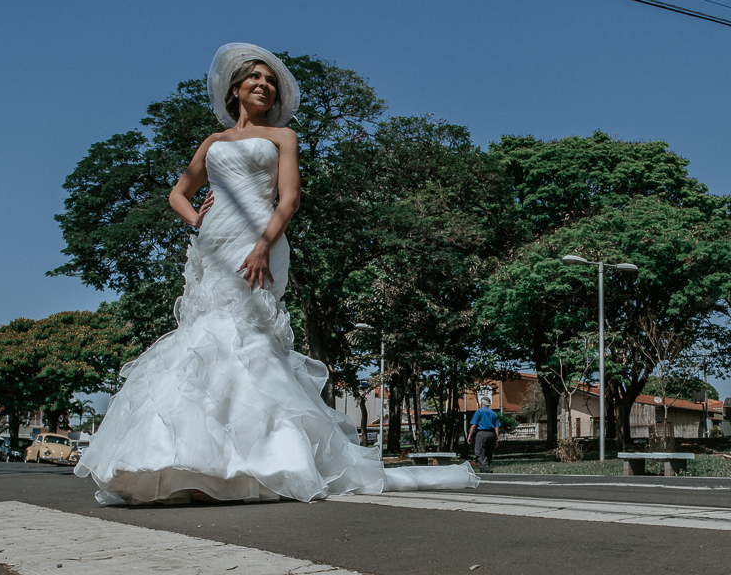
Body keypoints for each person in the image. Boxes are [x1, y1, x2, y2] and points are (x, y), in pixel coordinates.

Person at [76, 43, 479, 504]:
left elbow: (289, 199)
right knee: (204, 335)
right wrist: (197, 220)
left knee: (246, 336)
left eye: (270, 81)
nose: (264, 85)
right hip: (214, 243)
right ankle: (193, 461)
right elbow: (178, 193)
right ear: (235, 89)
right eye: (255, 78)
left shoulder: (283, 136)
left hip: (260, 238)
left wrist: (264, 245)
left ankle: (258, 461)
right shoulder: (212, 142)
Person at [466, 398, 501, 473]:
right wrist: (496, 439)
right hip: (491, 434)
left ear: (481, 403)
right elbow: (497, 427)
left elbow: (474, 425)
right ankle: (484, 470)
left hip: (481, 433)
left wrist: (469, 435)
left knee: (479, 452)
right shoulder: (493, 413)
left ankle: (486, 469)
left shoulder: (479, 412)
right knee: (488, 453)